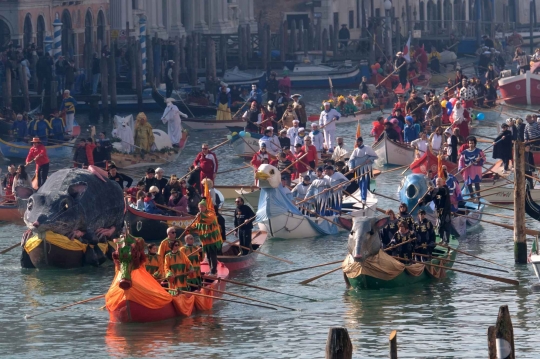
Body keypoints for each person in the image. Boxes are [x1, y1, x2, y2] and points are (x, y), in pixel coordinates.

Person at [418, 177, 459, 242]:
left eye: (439, 182)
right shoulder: (434, 191)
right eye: (437, 182)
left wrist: (433, 189)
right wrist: (421, 200)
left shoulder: (445, 189)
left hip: (446, 211)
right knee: (440, 226)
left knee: (446, 225)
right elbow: (428, 198)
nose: (438, 183)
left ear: (442, 182)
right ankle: (442, 238)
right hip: (439, 212)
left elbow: (441, 191)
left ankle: (446, 241)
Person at [188, 198, 222, 275]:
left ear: (205, 207)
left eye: (202, 207)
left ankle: (214, 270)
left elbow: (209, 220)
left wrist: (201, 215)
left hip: (212, 239)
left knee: (213, 255)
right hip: (205, 240)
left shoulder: (211, 214)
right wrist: (189, 228)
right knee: (208, 256)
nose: (200, 209)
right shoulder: (199, 216)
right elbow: (196, 225)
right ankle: (211, 269)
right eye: (199, 207)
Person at [348, 137, 377, 204]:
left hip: (366, 169)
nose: (357, 143)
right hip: (358, 169)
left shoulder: (367, 148)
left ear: (361, 142)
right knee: (360, 183)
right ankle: (362, 197)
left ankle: (364, 198)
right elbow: (352, 160)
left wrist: (369, 159)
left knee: (365, 182)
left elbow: (375, 156)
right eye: (356, 142)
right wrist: (351, 168)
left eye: (358, 142)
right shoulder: (355, 150)